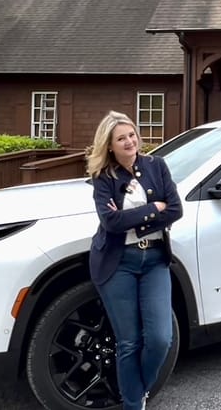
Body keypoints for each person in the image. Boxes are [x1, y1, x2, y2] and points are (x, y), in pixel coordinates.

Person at [86, 110, 182, 410]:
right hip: (118, 263)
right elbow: (110, 222)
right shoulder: (103, 177)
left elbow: (176, 210)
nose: (129, 141)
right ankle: (133, 403)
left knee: (160, 339)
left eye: (131, 135)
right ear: (109, 145)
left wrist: (130, 219)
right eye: (121, 138)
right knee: (129, 343)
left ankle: (138, 389)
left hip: (154, 259)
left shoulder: (157, 165)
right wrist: (153, 208)